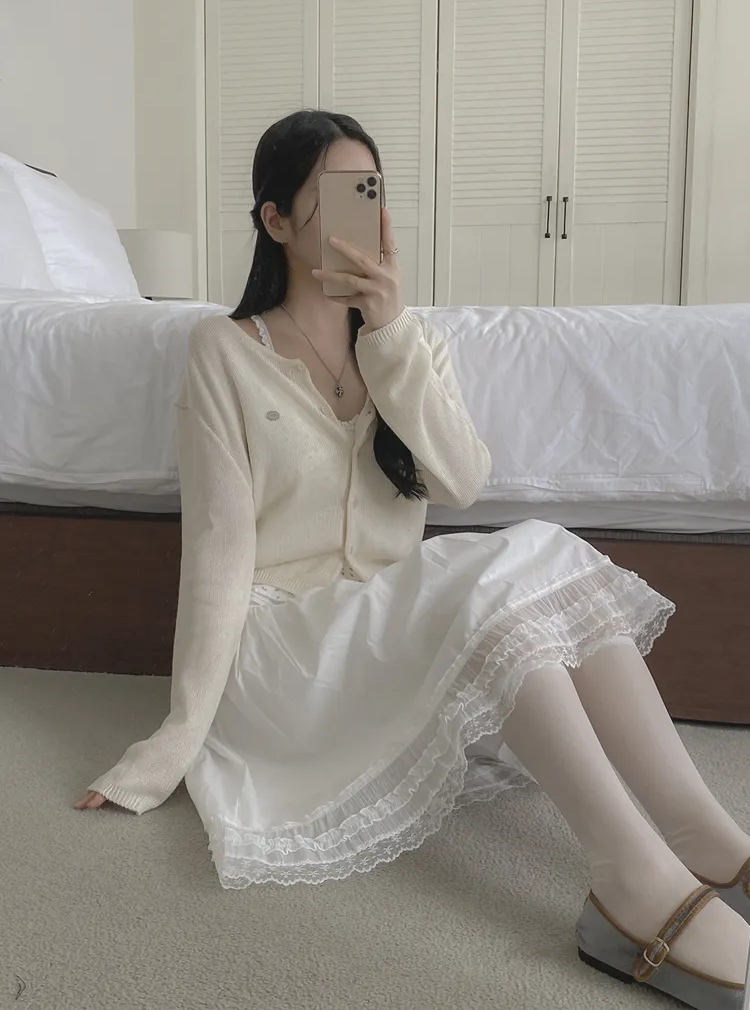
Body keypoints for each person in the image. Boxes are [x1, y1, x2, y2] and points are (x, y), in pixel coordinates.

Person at [75, 111, 749, 1008]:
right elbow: (218, 553)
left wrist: (389, 335)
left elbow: (463, 481)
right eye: (338, 197)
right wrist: (171, 744)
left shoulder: (411, 341)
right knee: (481, 579)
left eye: (373, 193)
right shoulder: (225, 353)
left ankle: (706, 841)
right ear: (275, 220)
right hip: (285, 652)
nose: (367, 216)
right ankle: (633, 883)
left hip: (388, 626)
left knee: (535, 553)